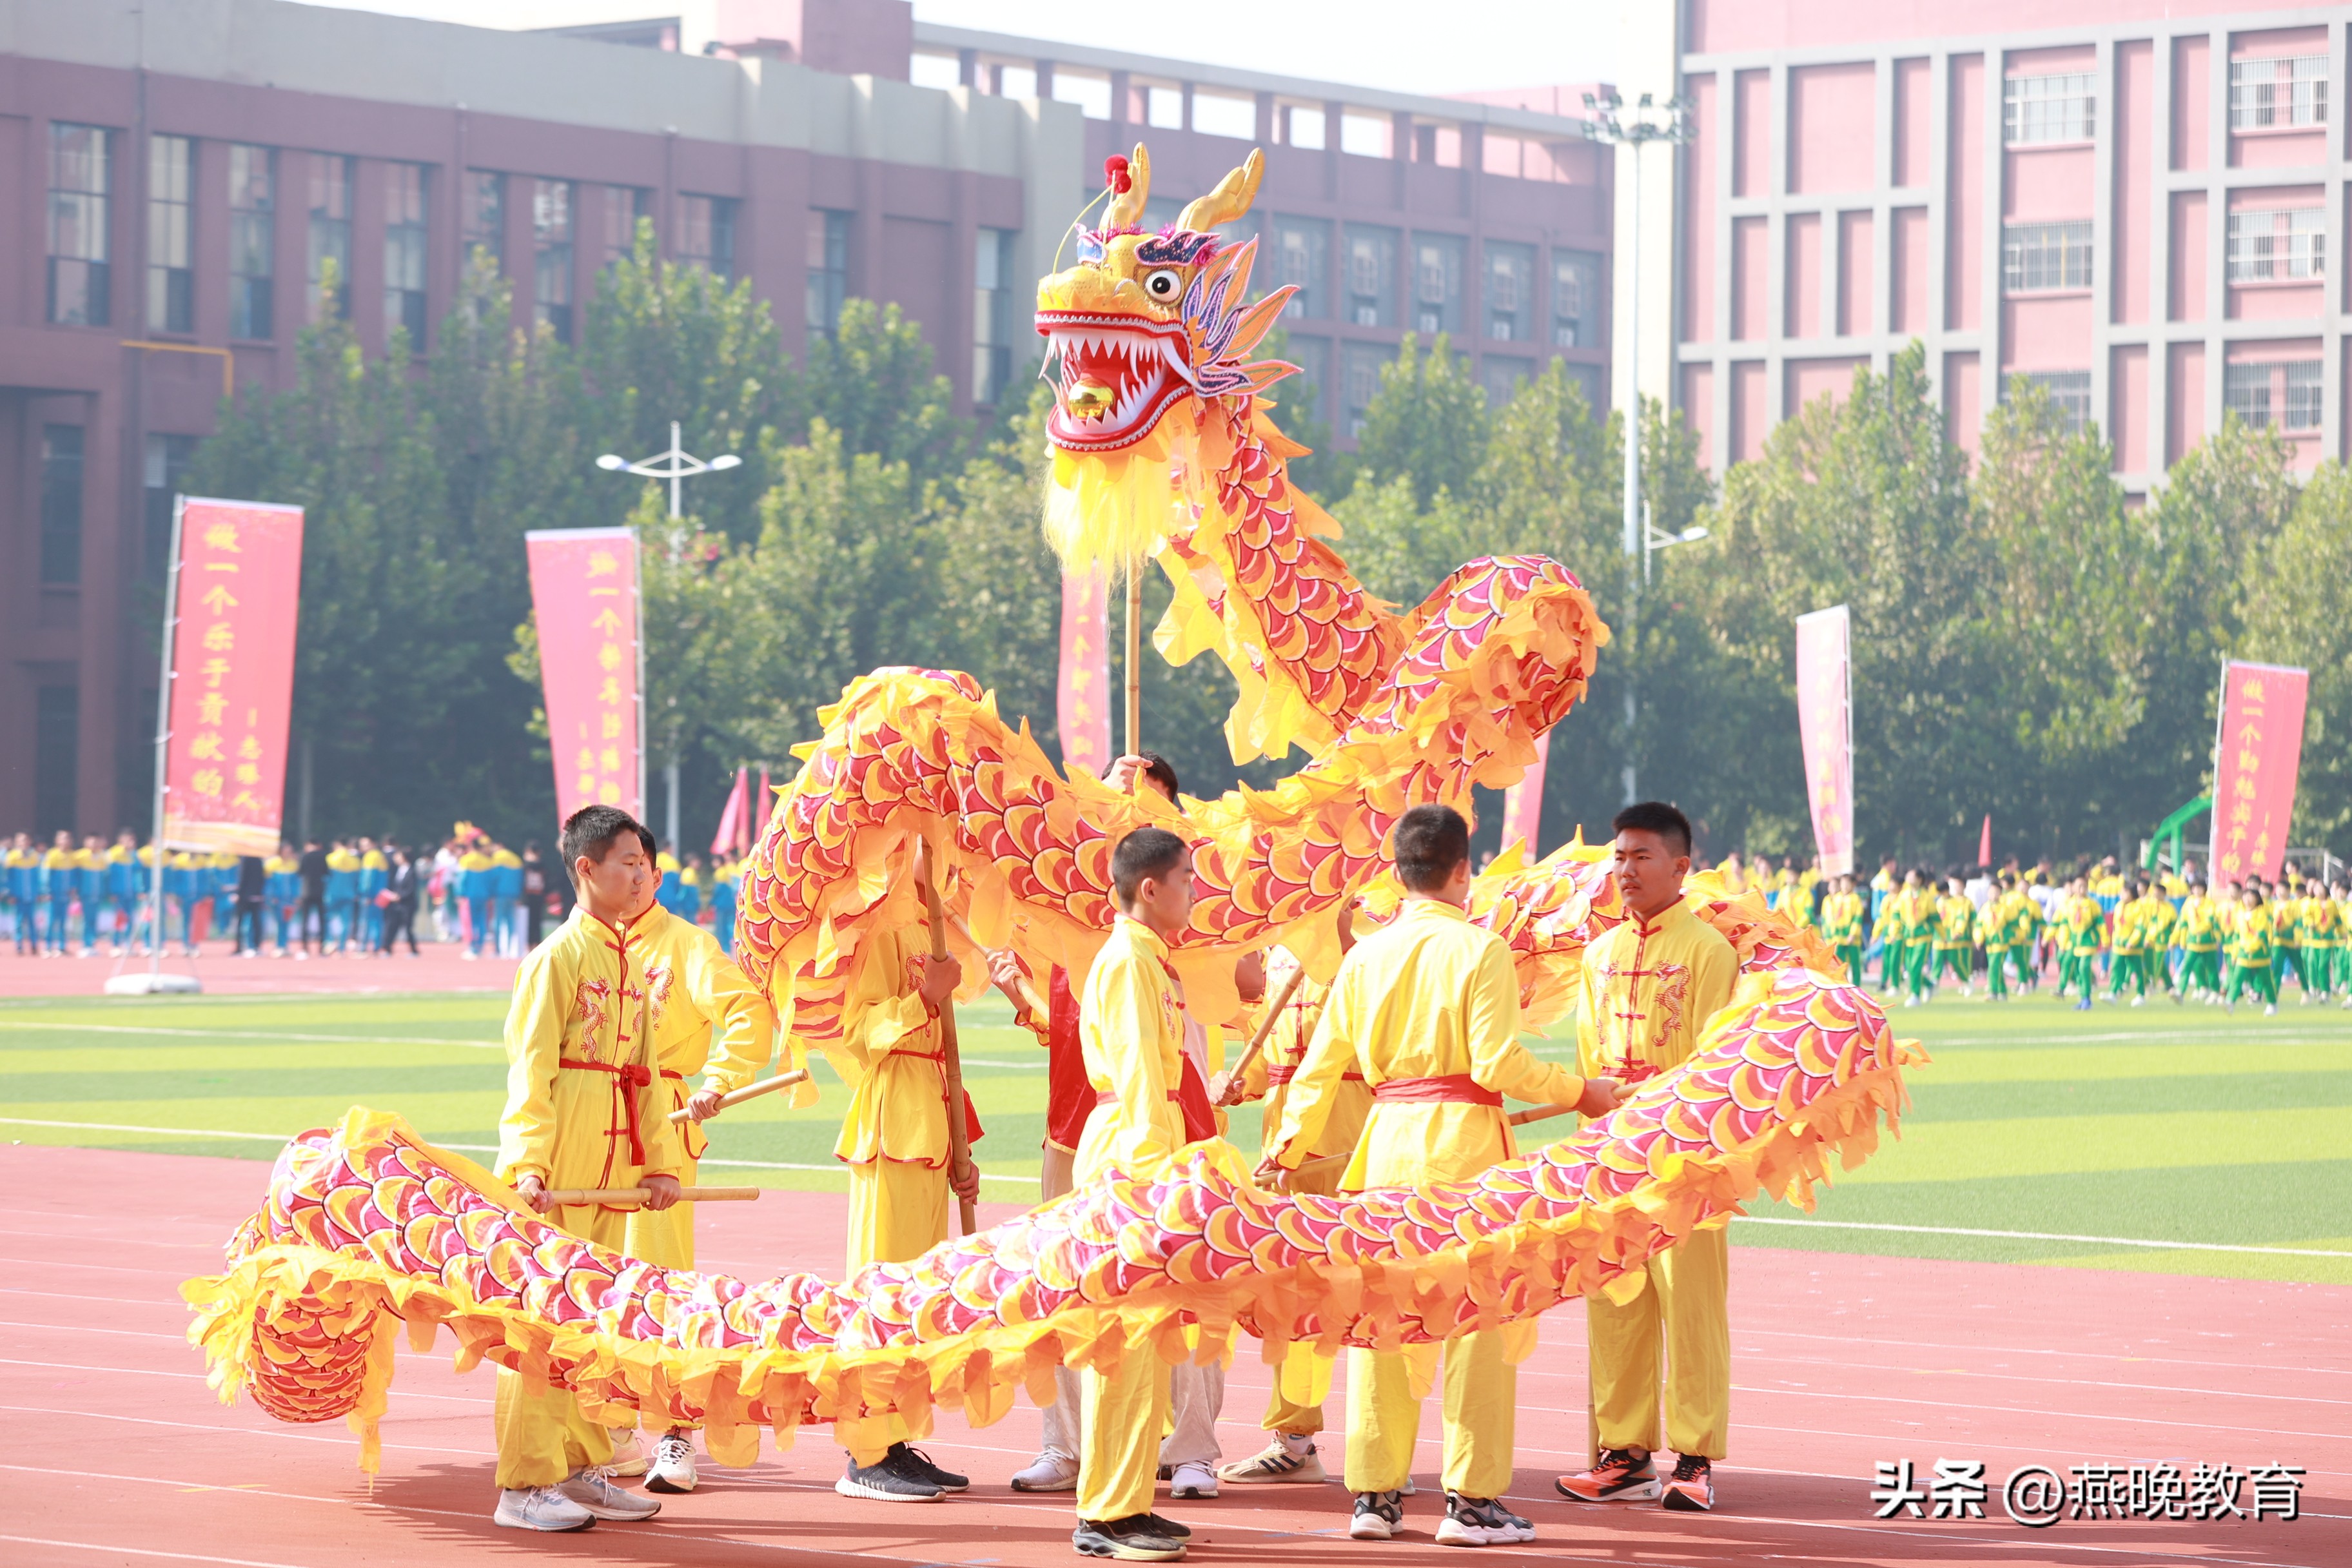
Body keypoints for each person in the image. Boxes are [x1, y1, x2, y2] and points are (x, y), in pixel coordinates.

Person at [1266, 804, 1619, 1548]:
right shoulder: (1478, 948)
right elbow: (1497, 1065)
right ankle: (1471, 1500)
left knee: (1383, 1321)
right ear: (1464, 870)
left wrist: (1287, 1149)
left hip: (1386, 1150)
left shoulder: (1364, 956)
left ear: (1397, 873)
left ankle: (1375, 1493)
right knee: (1477, 1328)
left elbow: (1321, 1064)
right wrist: (1578, 1091)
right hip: (1465, 1158)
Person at [491, 803, 679, 1533]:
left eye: (643, 863)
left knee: (588, 1317)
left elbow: (646, 1074)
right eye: (627, 862)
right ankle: (522, 1483)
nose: (640, 874)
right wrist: (527, 1165)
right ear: (586, 869)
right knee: (537, 1321)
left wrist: (658, 1164)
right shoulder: (555, 958)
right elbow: (530, 1071)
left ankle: (575, 1464)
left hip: (610, 1163)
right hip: (562, 1155)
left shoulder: (630, 960)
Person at [1553, 801, 1738, 1514]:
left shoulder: (1708, 952)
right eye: (1619, 856)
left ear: (1680, 865)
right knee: (1616, 1303)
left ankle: (1694, 1455)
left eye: (1641, 857)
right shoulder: (1597, 955)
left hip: (1687, 1161)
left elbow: (1716, 1069)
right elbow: (1584, 1064)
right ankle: (1624, 1451)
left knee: (1691, 1309)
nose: (1625, 870)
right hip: (1612, 1161)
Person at [812, 867, 980, 1505]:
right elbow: (856, 1030)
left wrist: (960, 1144)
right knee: (880, 1287)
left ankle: (895, 1437)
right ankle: (864, 1451)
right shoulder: (869, 920)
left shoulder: (929, 920)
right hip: (892, 1127)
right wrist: (923, 997)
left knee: (915, 1297)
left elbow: (946, 1051)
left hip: (930, 1126)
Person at [1067, 826, 1209, 1560]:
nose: (1197, 888)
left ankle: (1127, 1501)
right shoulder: (1128, 961)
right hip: (1131, 1161)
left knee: (1146, 1345)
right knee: (1121, 1346)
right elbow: (1141, 1083)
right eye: (1188, 876)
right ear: (1149, 887)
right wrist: (1159, 1184)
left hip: (1145, 1154)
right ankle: (1104, 1511)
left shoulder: (1150, 960)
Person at [636, 849, 792, 1494]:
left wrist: (721, 1080)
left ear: (654, 874)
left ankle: (676, 1430)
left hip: (660, 1124)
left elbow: (749, 1011)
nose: (624, 879)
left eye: (634, 866)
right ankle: (599, 1426)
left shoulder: (684, 942)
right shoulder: (575, 947)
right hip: (586, 1124)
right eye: (608, 864)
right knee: (583, 1273)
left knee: (660, 1282)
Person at [1215, 910, 1364, 1489]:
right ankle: (1293, 1440)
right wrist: (1244, 1083)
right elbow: (1279, 1059)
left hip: (1347, 1149)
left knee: (1369, 1293)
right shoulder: (1278, 954)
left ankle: (1385, 1455)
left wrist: (1344, 935)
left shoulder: (1369, 948)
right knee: (1288, 1296)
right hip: (1282, 1156)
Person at [2224, 882, 2278, 1015]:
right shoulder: (2240, 915)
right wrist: (2235, 954)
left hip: (2259, 953)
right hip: (2244, 953)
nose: (2248, 899)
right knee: (2237, 978)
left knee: (2266, 980)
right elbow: (2237, 937)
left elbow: (2261, 934)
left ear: (2257, 899)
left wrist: (2251, 947)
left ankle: (2272, 1004)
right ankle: (2230, 1002)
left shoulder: (2262, 914)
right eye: (2246, 896)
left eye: (2251, 897)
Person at [2056, 876, 2104, 1010]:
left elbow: (2101, 923)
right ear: (2073, 887)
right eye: (2078, 886)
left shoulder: (2092, 905)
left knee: (2084, 967)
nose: (2081, 889)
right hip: (2074, 943)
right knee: (2078, 971)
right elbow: (2065, 926)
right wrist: (2063, 943)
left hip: (2088, 942)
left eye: (2084, 886)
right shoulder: (2069, 905)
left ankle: (2087, 999)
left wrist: (2105, 940)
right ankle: (2083, 998)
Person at [2177, 882, 2226, 1001]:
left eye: (2199, 888)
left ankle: (2215, 991)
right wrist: (2181, 939)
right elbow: (2183, 921)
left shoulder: (2209, 903)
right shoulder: (2189, 903)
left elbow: (2211, 920)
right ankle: (2180, 991)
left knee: (2212, 968)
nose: (2197, 890)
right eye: (2195, 888)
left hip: (2207, 942)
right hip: (2193, 942)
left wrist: (2201, 930)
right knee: (2187, 966)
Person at [1819, 874, 1865, 986]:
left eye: (1847, 883)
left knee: (1855, 963)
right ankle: (1841, 984)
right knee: (1839, 962)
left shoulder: (1856, 899)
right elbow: (1832, 917)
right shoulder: (1837, 898)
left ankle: (1856, 985)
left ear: (1852, 885)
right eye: (1843, 883)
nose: (1844, 886)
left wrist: (1853, 934)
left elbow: (1858, 918)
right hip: (1839, 937)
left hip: (1852, 938)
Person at [381, 845, 422, 956]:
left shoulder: (412, 871)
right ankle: (387, 949)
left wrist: (400, 896)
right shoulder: (397, 870)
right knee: (392, 926)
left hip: (407, 904)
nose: (395, 858)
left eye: (398, 856)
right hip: (396, 904)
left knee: (408, 928)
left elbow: (411, 889)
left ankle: (414, 950)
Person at [296, 838, 328, 958]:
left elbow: (300, 873)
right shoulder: (322, 856)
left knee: (305, 921)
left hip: (306, 891)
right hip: (320, 891)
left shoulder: (305, 856)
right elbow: (327, 872)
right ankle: (322, 948)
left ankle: (304, 948)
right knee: (322, 921)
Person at [233, 853, 268, 956]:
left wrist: (239, 893)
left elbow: (243, 878)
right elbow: (262, 878)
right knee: (256, 922)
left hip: (245, 896)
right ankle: (255, 946)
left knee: (242, 922)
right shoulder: (259, 860)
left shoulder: (245, 859)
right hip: (256, 895)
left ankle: (241, 947)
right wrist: (260, 893)